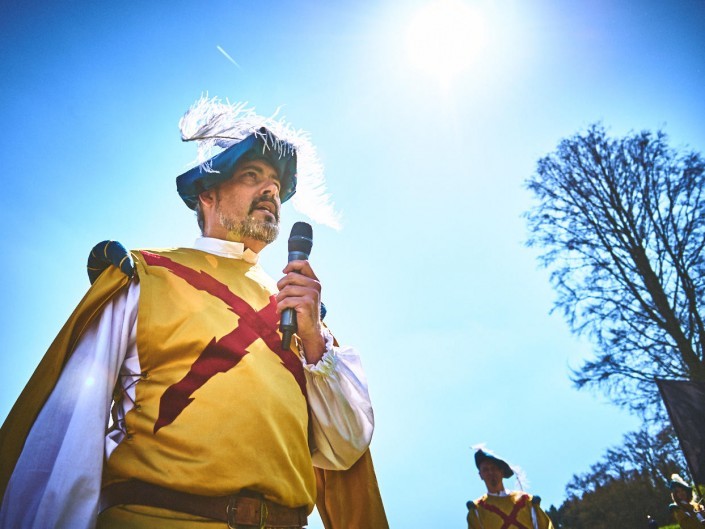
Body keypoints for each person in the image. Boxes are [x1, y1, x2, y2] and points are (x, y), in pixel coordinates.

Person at [0, 95, 388, 529]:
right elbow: (66, 437)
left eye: (277, 186)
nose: (270, 192)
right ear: (207, 192)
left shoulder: (300, 312)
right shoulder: (145, 276)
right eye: (252, 175)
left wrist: (315, 339)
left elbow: (346, 446)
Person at [467, 448, 554, 529]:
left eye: (493, 468)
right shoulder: (477, 509)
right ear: (480, 475)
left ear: (501, 472)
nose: (490, 472)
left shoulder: (526, 500)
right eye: (485, 470)